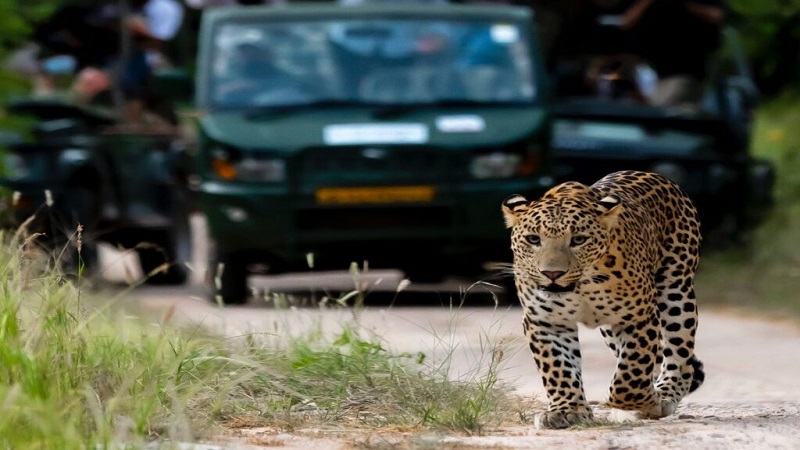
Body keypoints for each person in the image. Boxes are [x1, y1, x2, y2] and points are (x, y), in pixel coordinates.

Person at [615, 0, 727, 107]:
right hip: (656, 73)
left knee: (658, 109)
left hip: (686, 72)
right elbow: (626, 21)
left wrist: (688, 6)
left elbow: (717, 15)